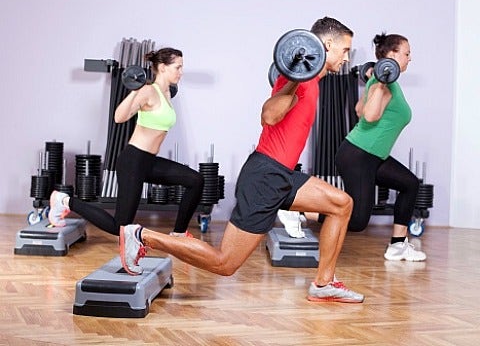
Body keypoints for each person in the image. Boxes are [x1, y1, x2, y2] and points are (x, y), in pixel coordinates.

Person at [119, 17, 365, 303]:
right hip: (265, 176)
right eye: (345, 49)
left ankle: (323, 284)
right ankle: (142, 236)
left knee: (341, 204)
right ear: (326, 45)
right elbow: (269, 116)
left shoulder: (311, 80)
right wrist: (295, 82)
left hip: (283, 174)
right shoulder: (299, 80)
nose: (347, 57)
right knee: (225, 263)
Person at [48, 48, 204, 238]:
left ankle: (179, 234)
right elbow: (119, 117)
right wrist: (135, 90)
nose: (181, 72)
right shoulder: (147, 91)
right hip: (133, 161)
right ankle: (63, 201)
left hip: (149, 162)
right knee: (119, 226)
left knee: (195, 180)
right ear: (162, 68)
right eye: (178, 67)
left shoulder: (168, 92)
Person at [334, 32, 426, 261]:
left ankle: (397, 245)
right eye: (406, 53)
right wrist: (380, 83)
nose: (409, 58)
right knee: (356, 221)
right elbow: (369, 115)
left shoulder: (381, 79)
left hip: (372, 156)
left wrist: (376, 80)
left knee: (409, 184)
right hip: (359, 155)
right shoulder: (384, 81)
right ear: (392, 54)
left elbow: (357, 109)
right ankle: (301, 213)